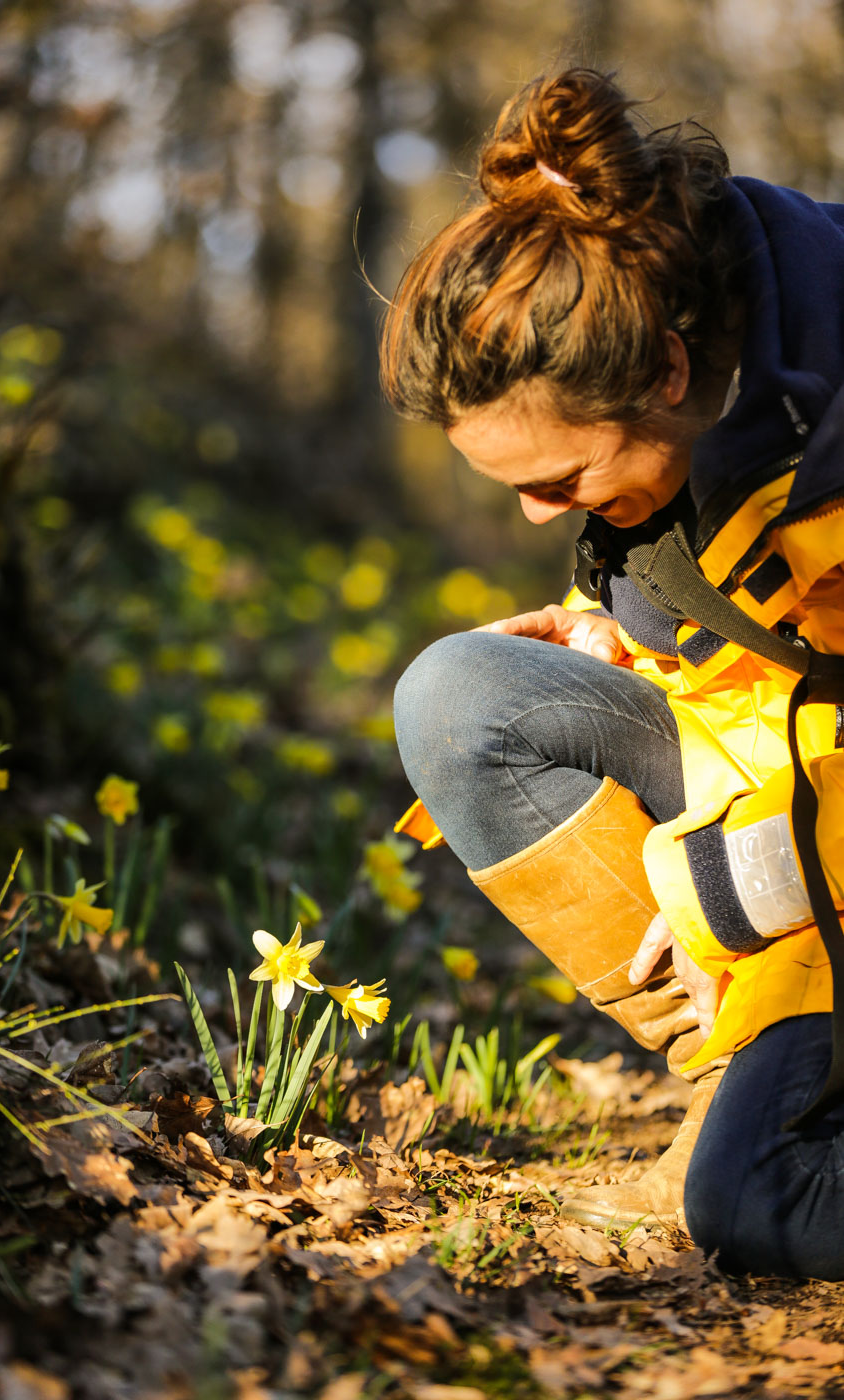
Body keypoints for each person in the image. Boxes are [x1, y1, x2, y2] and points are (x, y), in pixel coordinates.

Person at [384, 67, 844, 1280]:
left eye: (561, 481)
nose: (542, 516)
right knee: (461, 695)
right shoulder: (682, 371)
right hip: (802, 807)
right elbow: (780, 669)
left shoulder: (827, 450)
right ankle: (764, 1056)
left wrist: (728, 899)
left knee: (753, 1204)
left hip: (821, 835)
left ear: (670, 374)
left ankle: (783, 1082)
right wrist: (627, 632)